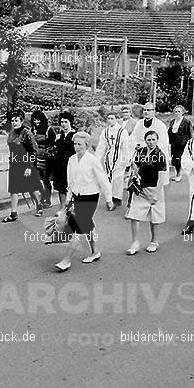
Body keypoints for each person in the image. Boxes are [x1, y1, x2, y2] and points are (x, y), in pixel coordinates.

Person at [54, 132, 114, 272]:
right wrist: (67, 200)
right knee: (86, 225)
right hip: (77, 196)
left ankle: (66, 260)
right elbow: (71, 182)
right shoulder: (71, 160)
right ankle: (95, 252)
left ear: (86, 145)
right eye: (74, 144)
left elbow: (103, 180)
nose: (76, 146)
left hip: (90, 197)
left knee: (77, 227)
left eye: (79, 144)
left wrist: (109, 199)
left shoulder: (92, 160)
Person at [125, 130, 167, 254]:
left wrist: (156, 194)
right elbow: (136, 167)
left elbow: (162, 176)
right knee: (134, 215)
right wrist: (133, 168)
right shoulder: (141, 151)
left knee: (154, 218)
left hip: (154, 188)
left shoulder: (160, 155)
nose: (151, 142)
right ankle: (135, 242)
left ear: (157, 140)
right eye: (148, 139)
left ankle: (154, 241)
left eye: (153, 139)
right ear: (145, 140)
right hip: (140, 188)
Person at [2, 109, 44, 222]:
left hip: (26, 165)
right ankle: (13, 213)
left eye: (16, 120)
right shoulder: (11, 133)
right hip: (15, 165)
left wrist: (29, 167)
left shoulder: (27, 133)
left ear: (21, 121)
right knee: (13, 189)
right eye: (12, 120)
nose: (14, 123)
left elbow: (34, 151)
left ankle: (39, 205)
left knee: (32, 187)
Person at [129, 102, 170, 185]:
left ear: (154, 111)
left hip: (153, 158)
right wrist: (135, 146)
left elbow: (163, 143)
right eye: (145, 110)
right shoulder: (139, 123)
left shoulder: (160, 125)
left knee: (152, 183)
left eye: (149, 110)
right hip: (140, 155)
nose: (146, 112)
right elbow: (133, 139)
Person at [96, 110, 131, 206]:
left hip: (120, 157)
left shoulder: (122, 131)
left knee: (118, 178)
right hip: (109, 157)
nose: (110, 120)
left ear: (116, 119)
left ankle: (117, 198)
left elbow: (126, 147)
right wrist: (97, 159)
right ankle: (110, 197)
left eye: (112, 118)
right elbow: (101, 146)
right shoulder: (105, 132)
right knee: (109, 177)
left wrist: (126, 160)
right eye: (108, 119)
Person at [30, 110, 56, 209]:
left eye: (38, 120)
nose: (37, 122)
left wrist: (44, 151)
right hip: (37, 158)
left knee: (46, 180)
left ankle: (48, 200)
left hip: (47, 158)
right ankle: (43, 197)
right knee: (37, 180)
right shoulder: (33, 130)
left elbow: (53, 144)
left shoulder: (49, 130)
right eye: (35, 120)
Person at [53, 111, 77, 209]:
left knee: (70, 187)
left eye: (66, 122)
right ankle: (63, 208)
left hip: (71, 165)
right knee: (61, 188)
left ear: (70, 122)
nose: (63, 124)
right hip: (60, 165)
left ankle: (72, 207)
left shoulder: (75, 135)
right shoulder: (59, 136)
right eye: (62, 122)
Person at [168, 105, 192, 182]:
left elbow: (190, 133)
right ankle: (178, 172)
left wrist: (190, 143)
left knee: (179, 158)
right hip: (174, 143)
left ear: (182, 113)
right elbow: (169, 132)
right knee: (174, 159)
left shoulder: (187, 122)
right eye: (176, 111)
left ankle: (179, 174)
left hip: (182, 143)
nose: (177, 113)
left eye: (179, 111)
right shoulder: (172, 121)